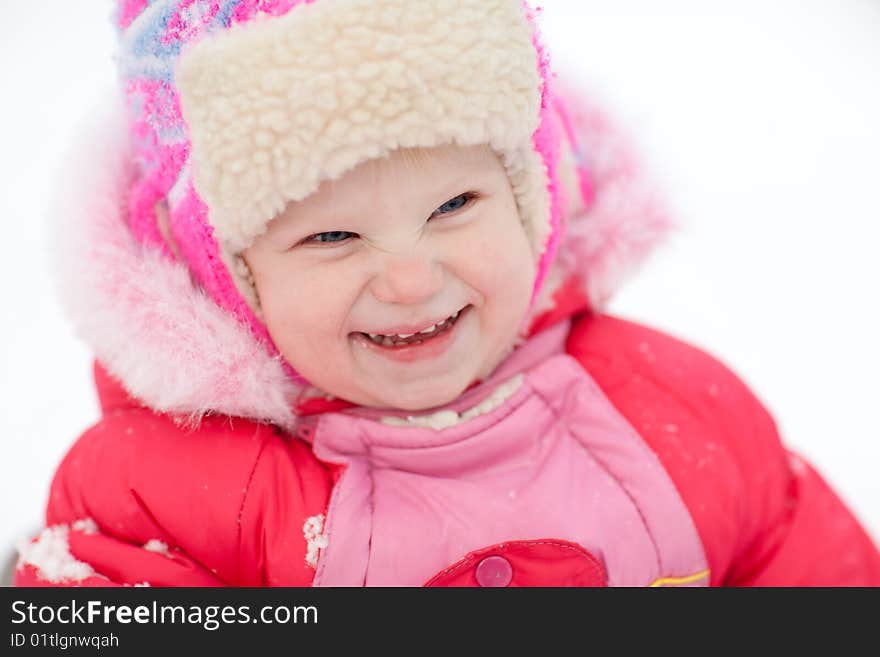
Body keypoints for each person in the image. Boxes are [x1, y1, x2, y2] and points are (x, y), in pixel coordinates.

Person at [15, 0, 880, 587]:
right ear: (223, 272)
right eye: (330, 235)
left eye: (456, 204)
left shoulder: (672, 411)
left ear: (533, 196)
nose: (410, 278)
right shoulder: (160, 500)